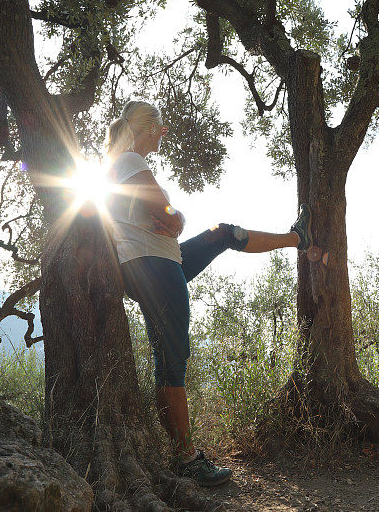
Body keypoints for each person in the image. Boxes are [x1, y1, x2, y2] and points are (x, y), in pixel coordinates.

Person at [104, 100, 312, 487]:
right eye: (161, 127)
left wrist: (170, 220)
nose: (164, 133)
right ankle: (186, 458)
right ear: (146, 128)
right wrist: (178, 216)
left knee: (223, 233)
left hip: (158, 263)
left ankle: (297, 238)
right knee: (172, 361)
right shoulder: (131, 160)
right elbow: (167, 216)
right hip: (156, 267)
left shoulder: (115, 167)